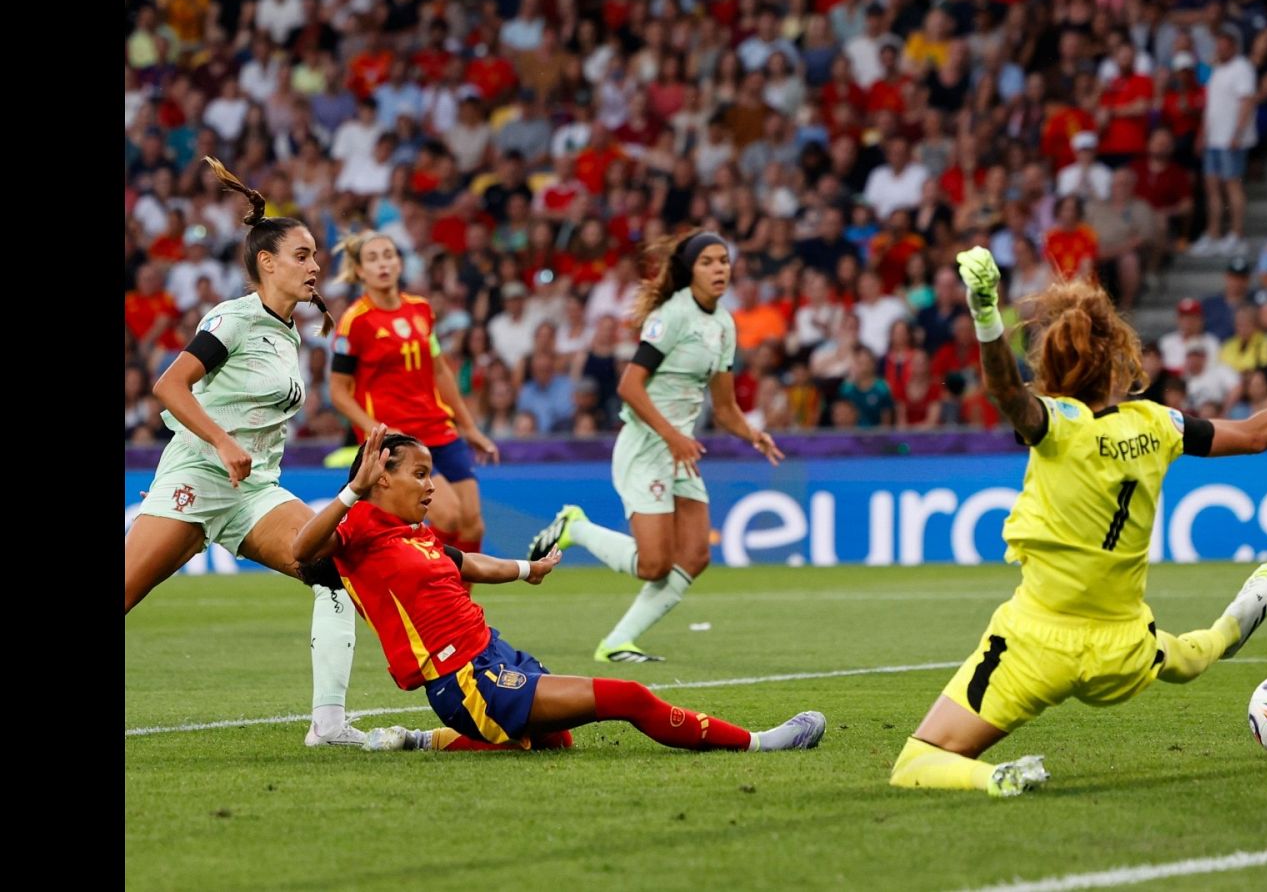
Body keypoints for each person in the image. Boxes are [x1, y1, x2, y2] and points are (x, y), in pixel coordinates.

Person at [888, 246, 1267, 797]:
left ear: (1050, 363)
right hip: (1121, 646)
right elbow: (1256, 434)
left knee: (916, 762)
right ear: (1120, 356)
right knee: (1185, 658)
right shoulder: (1160, 422)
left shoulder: (1057, 425)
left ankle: (994, 778)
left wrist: (985, 315)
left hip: (1034, 642)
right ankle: (1229, 629)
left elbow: (1004, 393)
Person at [292, 429, 826, 754]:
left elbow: (469, 563)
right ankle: (759, 741)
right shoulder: (357, 526)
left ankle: (416, 740)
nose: (433, 486)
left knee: (557, 740)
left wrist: (528, 569)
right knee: (629, 697)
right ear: (380, 479)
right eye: (421, 474)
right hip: (466, 682)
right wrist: (349, 491)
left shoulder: (415, 532)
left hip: (492, 653)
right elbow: (301, 549)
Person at [125, 157, 391, 748]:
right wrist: (220, 443)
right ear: (266, 262)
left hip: (254, 492)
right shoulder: (234, 318)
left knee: (331, 568)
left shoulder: (288, 331)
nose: (316, 266)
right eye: (303, 256)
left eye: (316, 256)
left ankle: (329, 725)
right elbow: (168, 385)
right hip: (198, 478)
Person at [526, 232, 785, 663]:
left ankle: (616, 644)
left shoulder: (723, 324)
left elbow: (724, 407)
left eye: (724, 260)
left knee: (697, 555)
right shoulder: (672, 316)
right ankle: (576, 528)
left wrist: (751, 433)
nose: (720, 268)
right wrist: (672, 436)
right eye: (708, 261)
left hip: (679, 448)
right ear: (689, 270)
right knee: (654, 565)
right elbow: (630, 385)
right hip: (648, 445)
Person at [327, 231, 500, 571]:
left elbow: (439, 372)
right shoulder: (355, 322)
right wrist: (375, 431)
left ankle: (458, 605)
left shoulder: (420, 310)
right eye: (373, 258)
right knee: (447, 517)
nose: (383, 264)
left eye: (388, 255)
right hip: (401, 440)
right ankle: (440, 600)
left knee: (473, 524)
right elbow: (337, 391)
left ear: (400, 263)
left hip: (439, 428)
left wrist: (468, 427)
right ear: (360, 271)